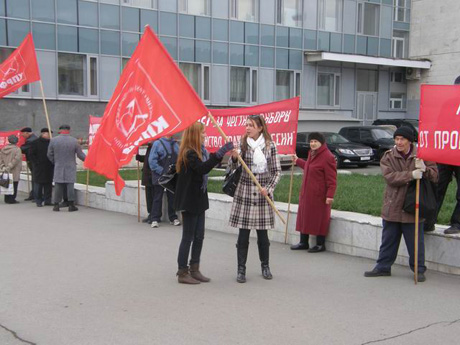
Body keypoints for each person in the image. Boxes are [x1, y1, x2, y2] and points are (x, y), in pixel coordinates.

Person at [364, 126, 438, 282]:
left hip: (413, 205)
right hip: (393, 204)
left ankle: (419, 269)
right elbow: (389, 177)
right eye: (396, 139)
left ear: (409, 140)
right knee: (388, 240)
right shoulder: (388, 156)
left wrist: (425, 170)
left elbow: (435, 175)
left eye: (402, 139)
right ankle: (383, 267)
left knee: (416, 242)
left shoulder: (423, 155)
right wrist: (411, 175)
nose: (398, 142)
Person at [174, 122, 233, 284]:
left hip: (199, 199)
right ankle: (182, 272)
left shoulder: (201, 151)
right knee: (188, 237)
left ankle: (195, 269)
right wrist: (221, 152)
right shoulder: (189, 153)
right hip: (189, 200)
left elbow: (207, 164)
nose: (205, 135)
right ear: (195, 134)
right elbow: (202, 169)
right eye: (203, 133)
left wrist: (220, 155)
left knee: (199, 236)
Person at [229, 114, 281, 283]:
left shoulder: (269, 146)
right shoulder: (242, 144)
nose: (247, 128)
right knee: (243, 234)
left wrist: (269, 188)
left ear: (260, 127)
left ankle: (265, 266)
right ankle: (241, 269)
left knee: (262, 234)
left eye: (251, 125)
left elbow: (276, 171)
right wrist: (235, 158)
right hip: (244, 192)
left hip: (262, 193)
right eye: (246, 125)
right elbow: (232, 168)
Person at [424, 76, 460, 235]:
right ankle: (429, 220)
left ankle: (457, 223)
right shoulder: (448, 104)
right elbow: (440, 126)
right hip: (446, 153)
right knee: (437, 186)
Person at [290, 132, 337, 253]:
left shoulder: (328, 157)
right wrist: (297, 160)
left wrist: (330, 195)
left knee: (319, 219)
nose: (313, 144)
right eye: (311, 141)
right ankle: (303, 242)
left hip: (319, 195)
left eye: (315, 141)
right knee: (304, 217)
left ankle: (320, 244)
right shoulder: (312, 153)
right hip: (307, 193)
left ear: (321, 143)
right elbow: (309, 167)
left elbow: (332, 179)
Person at [47, 125, 86, 212]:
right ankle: (71, 204)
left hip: (58, 165)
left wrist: (55, 161)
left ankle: (56, 205)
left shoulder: (53, 140)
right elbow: (80, 155)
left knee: (58, 185)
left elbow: (49, 154)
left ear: (60, 130)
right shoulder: (74, 141)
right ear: (69, 130)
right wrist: (88, 160)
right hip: (70, 166)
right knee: (70, 185)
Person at [148, 136, 180, 228]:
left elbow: (179, 158)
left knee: (172, 197)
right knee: (157, 197)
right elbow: (152, 161)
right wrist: (162, 171)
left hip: (171, 176)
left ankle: (173, 217)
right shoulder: (157, 144)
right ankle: (154, 218)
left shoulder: (175, 144)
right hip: (160, 176)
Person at [29, 128, 54, 207]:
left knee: (48, 184)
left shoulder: (51, 143)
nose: (50, 135)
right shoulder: (35, 143)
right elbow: (31, 154)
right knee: (38, 185)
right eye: (48, 133)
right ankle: (38, 200)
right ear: (43, 134)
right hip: (39, 167)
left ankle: (48, 200)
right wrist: (36, 163)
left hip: (49, 166)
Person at [0, 135, 23, 204]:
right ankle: (12, 199)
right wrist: (9, 167)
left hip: (5, 170)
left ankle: (6, 199)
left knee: (6, 183)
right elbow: (16, 160)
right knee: (14, 184)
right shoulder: (17, 149)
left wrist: (3, 167)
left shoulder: (3, 149)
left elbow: (0, 160)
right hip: (14, 169)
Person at [136, 142, 154, 224]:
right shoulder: (150, 147)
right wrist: (140, 158)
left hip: (152, 176)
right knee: (149, 197)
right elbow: (147, 159)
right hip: (147, 176)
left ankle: (154, 215)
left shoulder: (155, 146)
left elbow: (152, 160)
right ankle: (150, 213)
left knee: (153, 197)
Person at [20, 127, 38, 201]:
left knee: (35, 178)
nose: (22, 136)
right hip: (32, 161)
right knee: (34, 178)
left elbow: (23, 149)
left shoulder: (31, 140)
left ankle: (35, 194)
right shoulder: (32, 139)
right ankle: (33, 193)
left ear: (27, 133)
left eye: (23, 134)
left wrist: (20, 147)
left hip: (34, 161)